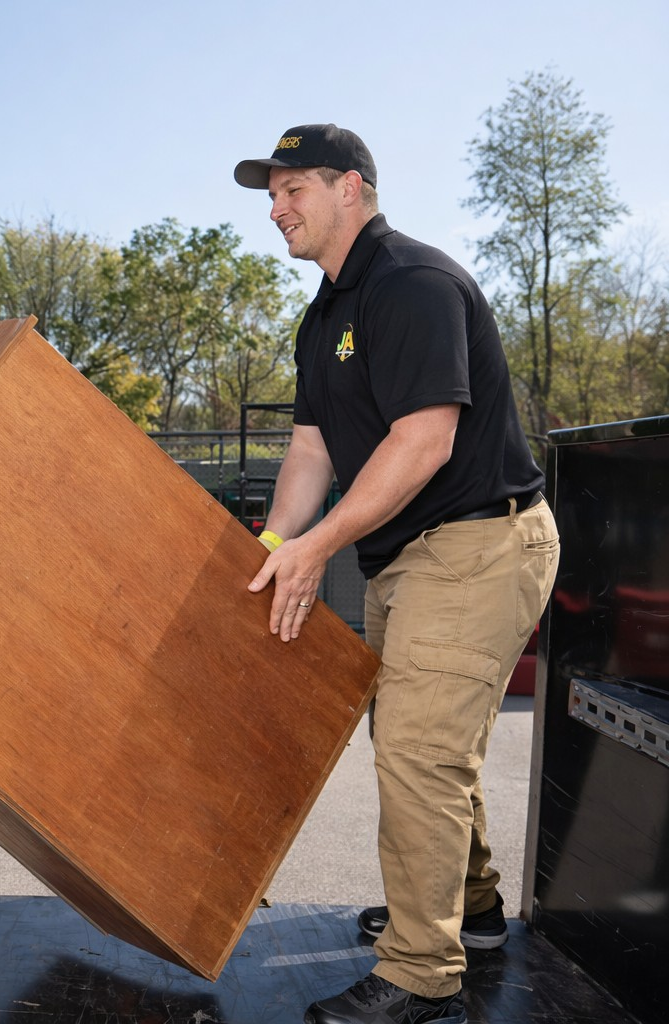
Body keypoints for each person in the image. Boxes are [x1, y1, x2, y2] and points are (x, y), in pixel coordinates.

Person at [234, 125, 560, 1024]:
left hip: (479, 545)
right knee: (421, 743)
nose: (275, 209)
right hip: (406, 556)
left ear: (353, 189)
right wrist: (271, 548)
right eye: (271, 193)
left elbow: (425, 440)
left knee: (419, 749)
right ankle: (476, 911)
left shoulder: (412, 284)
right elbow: (308, 448)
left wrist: (320, 545)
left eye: (293, 189)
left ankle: (421, 971)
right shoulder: (322, 315)